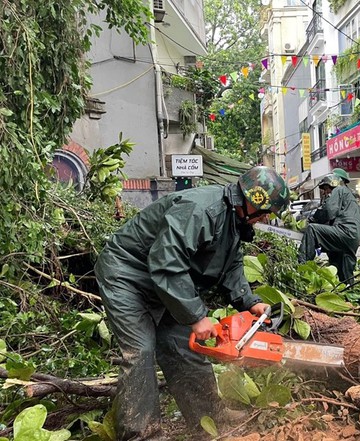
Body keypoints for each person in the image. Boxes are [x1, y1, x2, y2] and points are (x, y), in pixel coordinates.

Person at [94, 166, 290, 440]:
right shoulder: (201, 210)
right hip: (128, 276)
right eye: (266, 211)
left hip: (165, 284)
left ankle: (209, 417)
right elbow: (166, 261)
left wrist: (249, 301)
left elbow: (230, 266)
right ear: (252, 200)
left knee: (184, 348)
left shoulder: (234, 221)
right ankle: (142, 434)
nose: (266, 218)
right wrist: (197, 316)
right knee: (141, 350)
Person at [298, 173, 360, 284]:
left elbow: (328, 211)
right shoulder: (351, 198)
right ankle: (349, 290)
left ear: (333, 185)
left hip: (345, 232)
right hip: (353, 237)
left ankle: (302, 269)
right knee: (343, 271)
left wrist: (313, 219)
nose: (326, 193)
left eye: (327, 189)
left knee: (312, 230)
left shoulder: (339, 190)